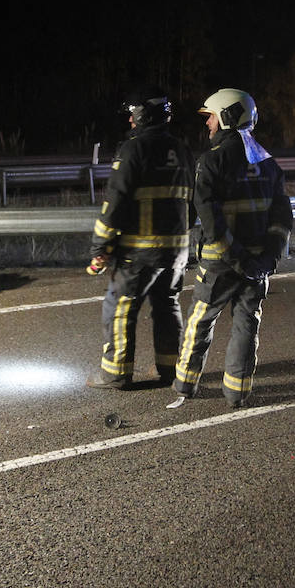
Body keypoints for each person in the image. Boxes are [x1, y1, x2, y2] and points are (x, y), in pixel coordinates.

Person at [173, 88, 292, 408]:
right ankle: (237, 391)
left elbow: (208, 217)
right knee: (247, 322)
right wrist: (269, 256)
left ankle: (185, 383)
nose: (208, 123)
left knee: (200, 320)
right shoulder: (268, 162)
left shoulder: (211, 160)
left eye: (211, 116)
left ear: (227, 116)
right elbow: (282, 214)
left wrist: (234, 256)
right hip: (257, 264)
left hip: (221, 263)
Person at [85, 90, 194, 389]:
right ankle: (171, 369)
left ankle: (116, 372)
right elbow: (192, 202)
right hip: (177, 250)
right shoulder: (182, 150)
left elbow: (116, 201)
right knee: (168, 304)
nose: (130, 121)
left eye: (132, 116)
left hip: (140, 251)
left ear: (141, 117)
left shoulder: (133, 149)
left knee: (120, 306)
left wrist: (101, 247)